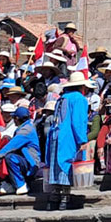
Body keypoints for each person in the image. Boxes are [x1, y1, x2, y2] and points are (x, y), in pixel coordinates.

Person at [46, 72, 90, 209]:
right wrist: (82, 139)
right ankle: (65, 198)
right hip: (69, 136)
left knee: (56, 164)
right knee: (67, 163)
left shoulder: (62, 98)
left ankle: (54, 197)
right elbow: (78, 121)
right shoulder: (79, 99)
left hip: (56, 134)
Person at [0, 107, 39, 196]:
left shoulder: (26, 130)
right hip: (22, 158)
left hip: (30, 163)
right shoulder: (23, 128)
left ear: (17, 118)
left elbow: (10, 147)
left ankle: (21, 184)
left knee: (10, 158)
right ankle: (6, 184)